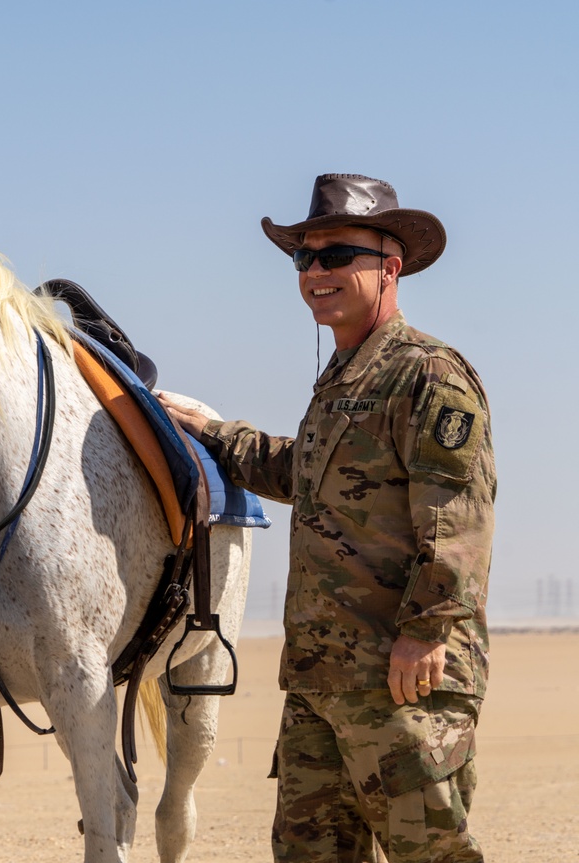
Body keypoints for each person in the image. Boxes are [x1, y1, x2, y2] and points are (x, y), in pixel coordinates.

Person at [159, 174, 496, 862]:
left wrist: (424, 631)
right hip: (319, 684)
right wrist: (213, 433)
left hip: (404, 685)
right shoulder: (342, 380)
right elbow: (301, 475)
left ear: (389, 266)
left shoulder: (428, 375)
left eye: (337, 254)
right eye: (303, 258)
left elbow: (458, 521)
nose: (316, 272)